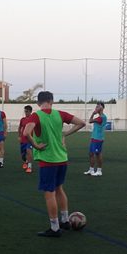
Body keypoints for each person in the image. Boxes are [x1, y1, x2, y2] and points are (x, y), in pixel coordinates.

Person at [23, 91, 86, 237]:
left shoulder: (36, 115)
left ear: (38, 103)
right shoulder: (60, 114)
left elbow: (26, 133)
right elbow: (82, 123)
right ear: (51, 101)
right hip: (62, 158)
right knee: (59, 189)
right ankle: (65, 220)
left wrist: (36, 146)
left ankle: (55, 227)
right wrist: (65, 134)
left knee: (49, 193)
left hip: (48, 160)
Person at [84, 103, 107, 177]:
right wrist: (94, 113)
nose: (96, 107)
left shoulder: (102, 117)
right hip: (94, 138)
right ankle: (91, 170)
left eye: (98, 106)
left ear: (102, 108)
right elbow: (90, 121)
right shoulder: (99, 117)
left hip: (98, 138)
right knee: (91, 154)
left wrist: (93, 113)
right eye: (96, 106)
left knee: (98, 154)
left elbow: (90, 121)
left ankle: (99, 171)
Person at [17, 105, 34, 174]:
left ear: (30, 112)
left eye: (27, 111)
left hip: (30, 139)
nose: (26, 113)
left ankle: (29, 167)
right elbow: (19, 128)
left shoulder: (33, 119)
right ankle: (26, 161)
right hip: (23, 139)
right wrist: (19, 136)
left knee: (28, 151)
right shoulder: (22, 119)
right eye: (25, 111)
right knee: (23, 155)